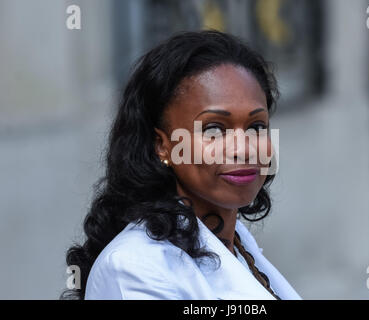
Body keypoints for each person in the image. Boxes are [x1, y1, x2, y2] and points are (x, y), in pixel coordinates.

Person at [62, 30, 302, 300]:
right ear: (161, 145)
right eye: (214, 129)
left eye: (257, 126)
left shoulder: (238, 243)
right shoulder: (134, 269)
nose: (243, 149)